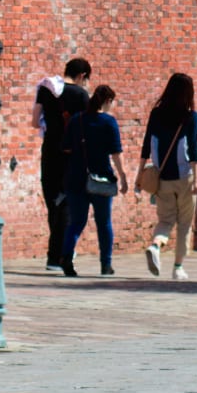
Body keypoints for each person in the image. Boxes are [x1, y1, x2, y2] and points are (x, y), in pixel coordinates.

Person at [61, 85, 126, 276]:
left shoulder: (76, 120)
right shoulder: (109, 122)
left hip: (76, 177)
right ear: (107, 101)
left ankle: (66, 258)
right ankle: (106, 264)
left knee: (76, 222)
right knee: (104, 222)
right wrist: (123, 177)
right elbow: (116, 153)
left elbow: (66, 148)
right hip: (101, 179)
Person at [142, 72, 197, 280]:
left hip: (162, 177)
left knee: (165, 220)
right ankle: (177, 267)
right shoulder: (191, 117)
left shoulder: (156, 114)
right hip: (185, 177)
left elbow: (147, 144)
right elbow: (192, 150)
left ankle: (156, 246)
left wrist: (141, 172)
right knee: (184, 223)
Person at [35, 58, 90, 272]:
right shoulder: (81, 95)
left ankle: (54, 254)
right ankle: (59, 255)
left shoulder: (45, 88)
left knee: (53, 202)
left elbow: (34, 121)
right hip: (72, 154)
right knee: (68, 202)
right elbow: (87, 128)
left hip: (49, 151)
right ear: (82, 75)